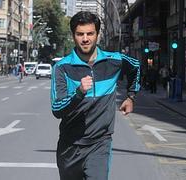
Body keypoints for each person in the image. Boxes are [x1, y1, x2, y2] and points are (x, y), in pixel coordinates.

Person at [50, 11, 141, 180]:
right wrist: (79, 93)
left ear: (98, 35)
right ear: (73, 36)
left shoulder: (114, 61)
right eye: (80, 34)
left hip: (100, 142)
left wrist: (131, 97)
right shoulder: (62, 67)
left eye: (90, 33)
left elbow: (136, 67)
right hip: (70, 146)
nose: (85, 39)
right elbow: (57, 109)